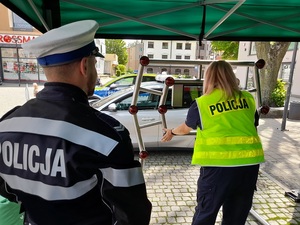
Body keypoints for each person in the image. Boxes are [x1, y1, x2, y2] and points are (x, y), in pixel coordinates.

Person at [0, 20, 151, 225]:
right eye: (95, 65)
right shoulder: (106, 136)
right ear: (85, 65)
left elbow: (7, 190)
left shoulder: (7, 123)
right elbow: (132, 213)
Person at [161, 60, 264, 225]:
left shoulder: (203, 103)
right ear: (231, 76)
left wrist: (171, 132)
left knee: (206, 213)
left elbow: (186, 128)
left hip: (218, 169)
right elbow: (252, 124)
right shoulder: (248, 98)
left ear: (208, 77)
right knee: (236, 216)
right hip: (248, 166)